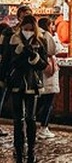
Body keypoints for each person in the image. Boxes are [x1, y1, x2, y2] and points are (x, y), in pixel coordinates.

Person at [2, 15, 49, 163]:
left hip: (32, 83)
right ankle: (19, 148)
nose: (27, 31)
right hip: (16, 82)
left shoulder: (40, 41)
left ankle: (31, 149)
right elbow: (6, 61)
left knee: (30, 118)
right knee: (17, 119)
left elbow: (43, 64)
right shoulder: (13, 40)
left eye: (30, 29)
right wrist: (4, 78)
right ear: (21, 28)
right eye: (25, 29)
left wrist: (33, 56)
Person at [36, 17, 59, 140]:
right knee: (48, 102)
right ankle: (44, 127)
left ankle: (32, 125)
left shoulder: (37, 34)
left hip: (39, 72)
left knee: (39, 101)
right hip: (48, 71)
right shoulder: (47, 35)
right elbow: (54, 49)